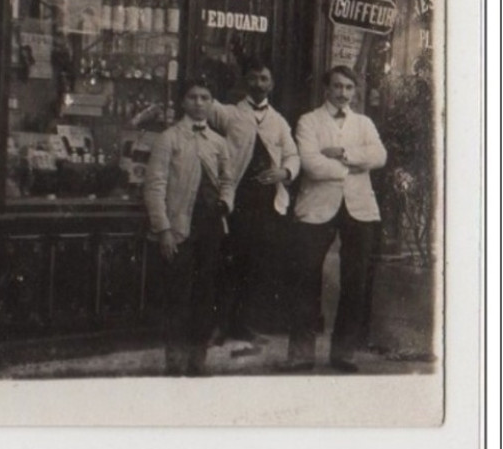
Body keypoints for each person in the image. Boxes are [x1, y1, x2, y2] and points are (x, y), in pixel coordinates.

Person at [283, 64, 387, 373]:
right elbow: (312, 164)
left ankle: (343, 353)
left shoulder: (364, 123)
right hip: (316, 207)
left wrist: (341, 152)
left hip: (359, 208)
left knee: (355, 281)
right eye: (338, 86)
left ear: (355, 92)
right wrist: (354, 165)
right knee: (305, 278)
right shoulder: (309, 121)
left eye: (349, 88)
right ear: (326, 89)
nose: (343, 93)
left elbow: (380, 156)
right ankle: (301, 354)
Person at [144, 77, 235, 376]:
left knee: (205, 295)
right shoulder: (169, 138)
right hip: (181, 227)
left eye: (205, 97)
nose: (199, 103)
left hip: (210, 227)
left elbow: (228, 180)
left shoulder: (219, 142)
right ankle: (175, 360)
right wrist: (164, 229)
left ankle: (198, 359)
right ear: (183, 102)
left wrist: (225, 201)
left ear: (212, 104)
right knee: (178, 296)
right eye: (193, 97)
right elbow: (155, 186)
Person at [208, 61, 299, 339]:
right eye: (254, 78)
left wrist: (283, 171)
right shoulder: (230, 113)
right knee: (228, 262)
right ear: (246, 82)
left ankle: (243, 325)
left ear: (271, 84)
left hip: (266, 203)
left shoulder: (279, 120)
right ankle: (218, 325)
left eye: (265, 79)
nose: (260, 84)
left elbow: (293, 155)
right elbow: (204, 108)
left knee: (255, 266)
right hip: (237, 200)